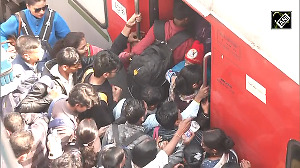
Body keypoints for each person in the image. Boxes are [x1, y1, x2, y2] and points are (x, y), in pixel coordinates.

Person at [120, 0, 195, 67]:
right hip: (165, 77)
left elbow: (137, 50)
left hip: (152, 70)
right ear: (186, 19)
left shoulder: (157, 27)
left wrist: (129, 51)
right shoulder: (189, 41)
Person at [16, 47, 82, 113]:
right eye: (76, 66)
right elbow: (23, 107)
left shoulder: (73, 72)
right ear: (65, 67)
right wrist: (49, 98)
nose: (80, 67)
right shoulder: (44, 84)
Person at [0, 0, 70, 51]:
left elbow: (68, 38)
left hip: (49, 60)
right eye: (37, 10)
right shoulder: (18, 19)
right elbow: (1, 32)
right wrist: (6, 48)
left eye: (44, 8)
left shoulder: (54, 17)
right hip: (25, 61)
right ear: (28, 6)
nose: (42, 12)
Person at [48, 83, 99, 148]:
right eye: (87, 107)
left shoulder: (61, 98)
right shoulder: (66, 131)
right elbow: (56, 151)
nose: (88, 109)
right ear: (77, 105)